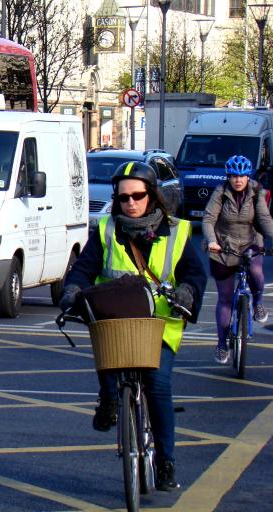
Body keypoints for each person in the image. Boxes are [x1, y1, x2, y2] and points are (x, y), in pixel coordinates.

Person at [59, 161, 207, 492]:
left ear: (152, 196)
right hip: (117, 321)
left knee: (157, 384)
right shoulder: (106, 230)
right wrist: (72, 290)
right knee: (107, 355)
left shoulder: (177, 231)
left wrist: (188, 291)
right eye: (123, 198)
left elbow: (195, 274)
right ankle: (110, 398)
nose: (131, 203)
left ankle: (166, 461)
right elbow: (83, 269)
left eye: (138, 196)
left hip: (160, 325)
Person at [202, 154, 273, 364]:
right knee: (224, 298)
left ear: (247, 176)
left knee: (256, 272)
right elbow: (208, 219)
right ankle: (222, 344)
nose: (238, 180)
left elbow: (264, 219)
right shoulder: (220, 192)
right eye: (233, 176)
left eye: (241, 176)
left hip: (249, 242)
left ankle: (258, 302)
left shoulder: (256, 192)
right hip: (223, 246)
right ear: (229, 176)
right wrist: (212, 241)